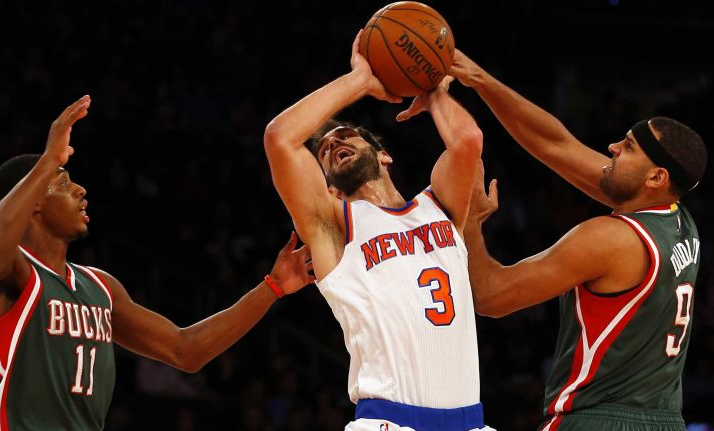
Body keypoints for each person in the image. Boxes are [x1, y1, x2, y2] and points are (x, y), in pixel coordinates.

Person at [0, 95, 314, 430]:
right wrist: (47, 162)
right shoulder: (11, 273)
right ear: (33, 203)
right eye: (62, 182)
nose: (80, 190)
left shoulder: (100, 286)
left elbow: (185, 350)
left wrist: (273, 287)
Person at [447, 48, 707, 430]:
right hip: (664, 421)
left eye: (629, 148)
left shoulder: (611, 239)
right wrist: (478, 79)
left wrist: (469, 216)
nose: (612, 148)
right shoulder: (679, 220)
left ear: (656, 178)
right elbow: (556, 144)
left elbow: (492, 295)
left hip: (598, 420)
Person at [263, 30, 494, 431]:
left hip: (470, 422)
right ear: (330, 187)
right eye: (325, 152)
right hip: (389, 422)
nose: (334, 144)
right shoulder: (334, 226)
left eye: (346, 137)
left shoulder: (438, 206)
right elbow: (280, 138)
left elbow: (468, 141)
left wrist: (434, 91)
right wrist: (361, 81)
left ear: (383, 154)